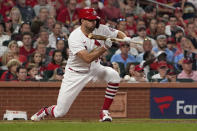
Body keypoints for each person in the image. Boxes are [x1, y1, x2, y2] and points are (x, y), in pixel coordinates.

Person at [31, 8, 132, 122]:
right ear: (82, 21)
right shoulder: (75, 36)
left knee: (114, 76)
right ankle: (45, 111)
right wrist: (105, 47)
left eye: (95, 20)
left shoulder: (99, 28)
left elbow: (117, 32)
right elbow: (87, 58)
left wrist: (125, 38)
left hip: (95, 68)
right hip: (75, 73)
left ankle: (104, 111)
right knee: (60, 112)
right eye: (90, 20)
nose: (94, 22)